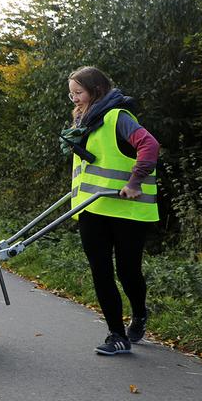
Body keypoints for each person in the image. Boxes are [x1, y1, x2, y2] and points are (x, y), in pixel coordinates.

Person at [63, 66, 159, 356]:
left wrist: (134, 181)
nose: (75, 99)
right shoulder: (84, 122)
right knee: (101, 272)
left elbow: (150, 146)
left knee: (128, 272)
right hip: (92, 209)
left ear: (96, 90)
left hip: (128, 210)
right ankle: (116, 334)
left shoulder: (118, 117)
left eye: (78, 92)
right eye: (71, 94)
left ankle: (140, 313)